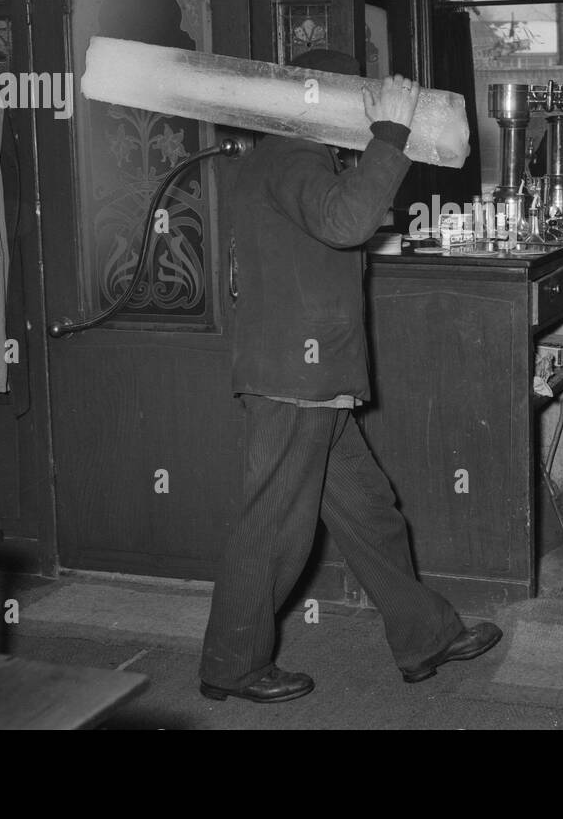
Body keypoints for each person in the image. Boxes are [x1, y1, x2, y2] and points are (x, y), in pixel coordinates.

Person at [199, 48, 501, 702]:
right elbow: (347, 220)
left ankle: (424, 635)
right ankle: (232, 662)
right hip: (295, 378)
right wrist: (389, 132)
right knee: (275, 528)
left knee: (370, 512)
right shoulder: (292, 153)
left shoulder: (282, 152)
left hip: (313, 376)